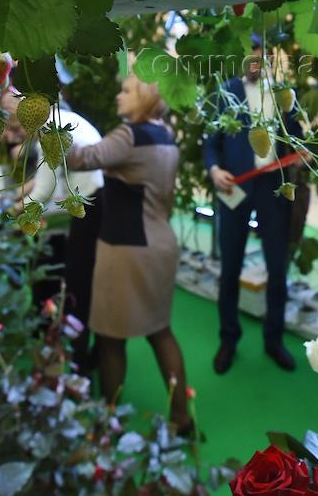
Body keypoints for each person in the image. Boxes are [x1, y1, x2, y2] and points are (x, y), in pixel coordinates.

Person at [65, 75, 192, 433]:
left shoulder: (129, 136)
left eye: (126, 91)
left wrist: (43, 122)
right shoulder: (166, 135)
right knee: (160, 331)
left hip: (125, 248)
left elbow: (78, 158)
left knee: (109, 337)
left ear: (147, 97)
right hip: (160, 244)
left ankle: (109, 420)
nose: (119, 96)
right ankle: (182, 418)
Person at [203, 37, 303, 374]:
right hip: (236, 185)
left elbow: (297, 137)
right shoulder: (226, 92)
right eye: (248, 58)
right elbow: (211, 143)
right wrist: (214, 170)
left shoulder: (285, 94)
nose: (253, 64)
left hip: (273, 187)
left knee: (277, 267)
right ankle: (228, 339)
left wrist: (302, 154)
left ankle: (274, 340)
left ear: (270, 58)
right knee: (230, 266)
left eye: (258, 58)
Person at [0, 88, 104, 366]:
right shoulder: (58, 120)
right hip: (94, 201)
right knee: (79, 279)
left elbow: (44, 191)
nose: (13, 134)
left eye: (14, 126)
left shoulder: (48, 132)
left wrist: (7, 213)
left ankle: (76, 359)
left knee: (77, 285)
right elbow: (45, 178)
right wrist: (15, 197)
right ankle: (75, 348)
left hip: (90, 207)